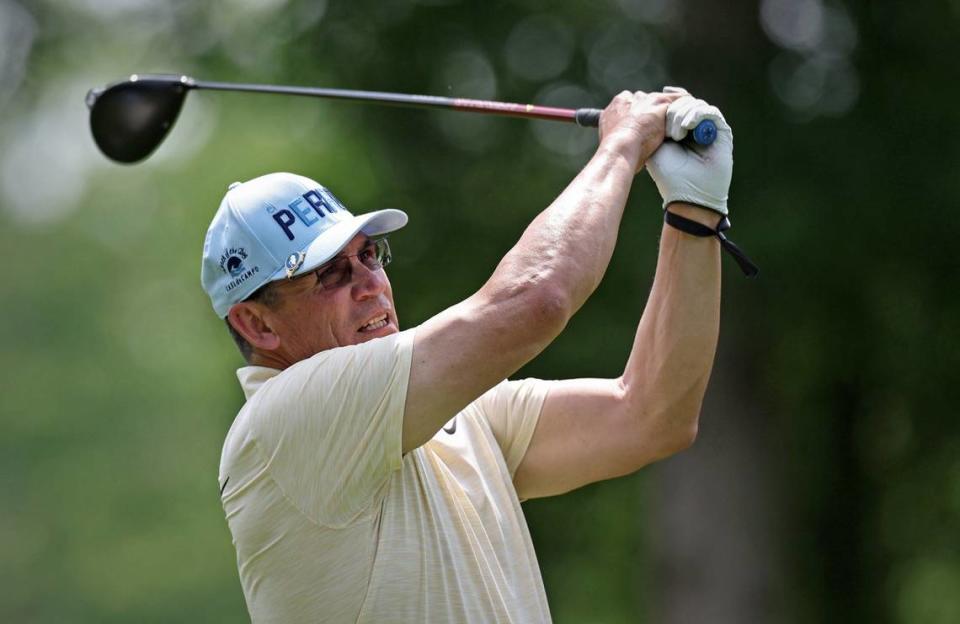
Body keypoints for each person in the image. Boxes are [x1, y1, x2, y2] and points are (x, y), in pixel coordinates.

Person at [202, 88, 744, 623]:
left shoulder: (450, 413)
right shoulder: (283, 426)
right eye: (331, 274)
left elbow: (653, 416)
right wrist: (622, 145)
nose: (370, 283)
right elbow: (537, 299)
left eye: (369, 255)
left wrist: (694, 214)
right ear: (256, 323)